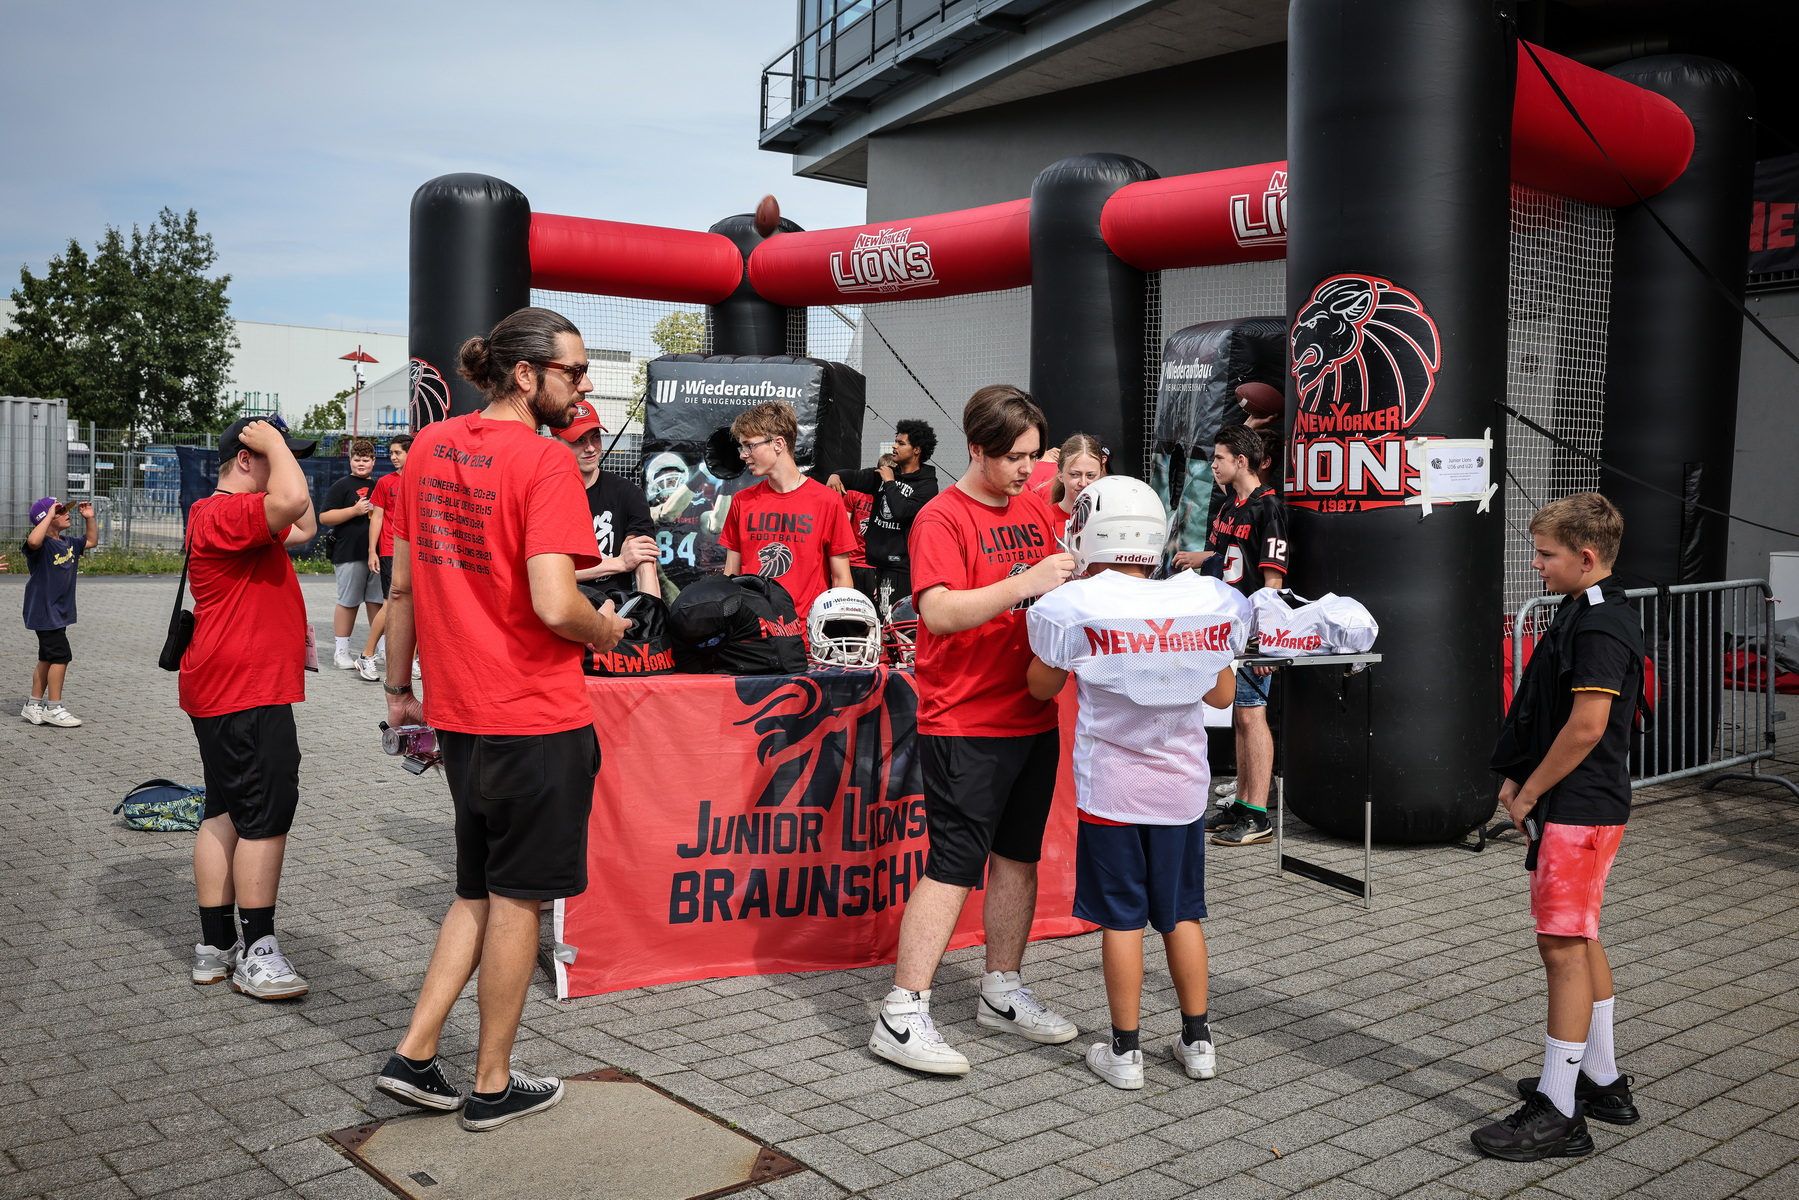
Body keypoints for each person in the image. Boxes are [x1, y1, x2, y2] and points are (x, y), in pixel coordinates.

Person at [375, 307, 630, 1133]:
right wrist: (605, 630)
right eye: (573, 371)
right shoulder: (546, 461)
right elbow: (557, 605)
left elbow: (401, 585)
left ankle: (414, 1054)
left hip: (460, 715)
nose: (583, 385)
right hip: (534, 716)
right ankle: (491, 1085)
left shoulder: (428, 448)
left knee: (476, 890)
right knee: (519, 901)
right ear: (526, 374)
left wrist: (398, 689)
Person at [867, 384, 1078, 1076]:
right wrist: (1026, 583)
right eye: (1015, 457)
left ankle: (1001, 990)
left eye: (1034, 456)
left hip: (1030, 714)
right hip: (964, 720)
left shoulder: (1033, 508)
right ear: (977, 449)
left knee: (1017, 858)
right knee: (953, 865)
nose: (1027, 469)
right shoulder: (941, 516)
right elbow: (938, 613)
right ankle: (900, 1013)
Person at [1025, 476, 1247, 1089]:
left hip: (1113, 788)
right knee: (1181, 914)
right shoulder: (1199, 600)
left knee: (1123, 919)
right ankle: (1198, 1042)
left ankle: (1126, 1053)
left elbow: (1040, 686)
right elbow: (1221, 694)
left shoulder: (1078, 604)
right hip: (1181, 789)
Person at [1474, 492, 1644, 1160]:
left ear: (1586, 557)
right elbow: (1544, 711)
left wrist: (1530, 792)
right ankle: (1599, 1078)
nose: (1536, 564)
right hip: (1576, 806)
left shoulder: (1601, 625)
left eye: (1545, 554)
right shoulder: (1582, 607)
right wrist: (1517, 776)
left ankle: (1559, 1109)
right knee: (1579, 936)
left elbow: (1586, 727)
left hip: (1580, 808)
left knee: (1561, 948)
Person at [182, 417, 318, 1000]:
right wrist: (277, 454)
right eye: (275, 453)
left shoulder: (239, 518)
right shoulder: (228, 512)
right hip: (245, 691)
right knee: (264, 816)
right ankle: (258, 953)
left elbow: (303, 524)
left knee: (225, 812)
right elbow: (292, 503)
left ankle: (215, 947)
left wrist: (281, 455)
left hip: (227, 688)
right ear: (245, 459)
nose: (287, 463)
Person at [1177, 425, 1288, 848]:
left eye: (1219, 458)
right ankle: (1241, 804)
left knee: (1251, 715)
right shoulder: (1229, 504)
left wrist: (1267, 640)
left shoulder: (1268, 506)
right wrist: (1200, 558)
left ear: (1241, 461)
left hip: (1252, 631)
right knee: (1239, 717)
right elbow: (1228, 556)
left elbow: (1273, 579)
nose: (1214, 465)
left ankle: (1258, 813)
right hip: (1226, 627)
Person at [720, 401, 855, 630]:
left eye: (749, 446)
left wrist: (837, 630)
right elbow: (731, 574)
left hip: (806, 637)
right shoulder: (742, 501)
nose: (743, 455)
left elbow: (841, 579)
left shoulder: (828, 501)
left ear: (778, 444)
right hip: (751, 633)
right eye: (742, 447)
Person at [830, 419, 939, 620]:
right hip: (878, 566)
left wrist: (890, 482)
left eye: (901, 443)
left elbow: (902, 512)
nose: (894, 446)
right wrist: (836, 476)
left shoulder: (927, 486)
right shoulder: (885, 475)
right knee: (879, 622)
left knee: (898, 623)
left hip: (904, 569)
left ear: (917, 450)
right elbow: (855, 476)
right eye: (895, 442)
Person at [556, 399, 659, 595]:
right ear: (557, 442)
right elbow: (543, 574)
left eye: (595, 437)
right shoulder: (544, 494)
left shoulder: (628, 493)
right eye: (579, 440)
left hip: (613, 607)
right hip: (560, 606)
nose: (590, 448)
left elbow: (645, 565)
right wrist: (618, 563)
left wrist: (653, 610)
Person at [21, 496, 96, 728]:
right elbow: (33, 540)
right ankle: (54, 708)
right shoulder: (41, 545)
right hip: (44, 610)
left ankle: (33, 704)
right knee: (61, 656)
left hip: (59, 611)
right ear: (47, 517)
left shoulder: (69, 542)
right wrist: (49, 515)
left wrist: (90, 519)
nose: (67, 514)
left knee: (47, 657)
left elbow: (91, 541)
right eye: (61, 511)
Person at [320, 439, 383, 670]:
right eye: (357, 460)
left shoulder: (379, 485)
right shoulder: (341, 486)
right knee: (348, 602)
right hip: (349, 553)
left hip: (377, 555)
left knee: (377, 602)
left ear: (373, 461)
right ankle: (341, 651)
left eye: (365, 460)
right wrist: (354, 510)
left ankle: (382, 649)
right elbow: (325, 517)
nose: (361, 464)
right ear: (350, 461)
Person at [355, 435, 413, 682]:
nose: (393, 457)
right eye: (391, 453)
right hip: (391, 550)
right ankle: (366, 655)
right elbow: (377, 517)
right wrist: (373, 551)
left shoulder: (421, 480)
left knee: (416, 605)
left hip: (417, 552)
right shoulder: (385, 482)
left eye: (397, 452)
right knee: (391, 603)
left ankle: (412, 660)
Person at [1043, 433, 1107, 544]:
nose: (1083, 483)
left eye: (1090, 475)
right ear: (1060, 474)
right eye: (1074, 474)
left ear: (1100, 475)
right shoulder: (1045, 519)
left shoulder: (1108, 519)